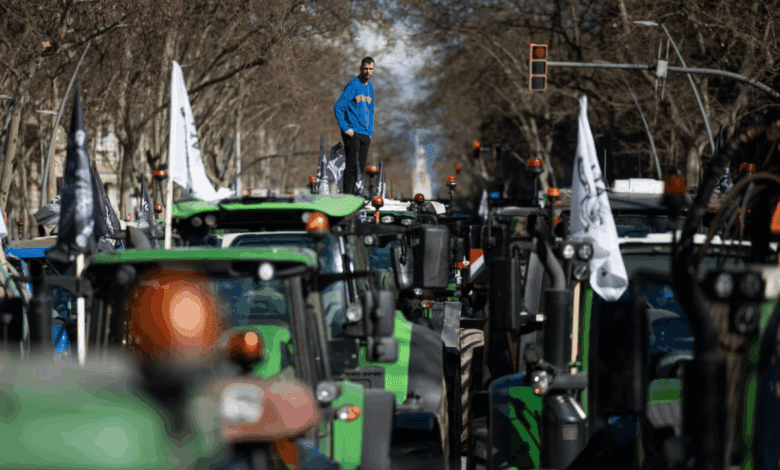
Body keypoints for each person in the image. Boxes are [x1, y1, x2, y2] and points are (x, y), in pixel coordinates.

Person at [334, 57, 375, 195]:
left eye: (370, 69)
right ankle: (347, 196)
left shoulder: (370, 87)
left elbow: (370, 110)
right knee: (351, 167)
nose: (368, 71)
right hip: (352, 132)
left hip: (365, 133)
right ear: (360, 68)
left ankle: (356, 196)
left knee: (361, 169)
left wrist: (370, 131)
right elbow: (338, 107)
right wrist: (345, 128)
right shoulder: (353, 85)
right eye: (365, 68)